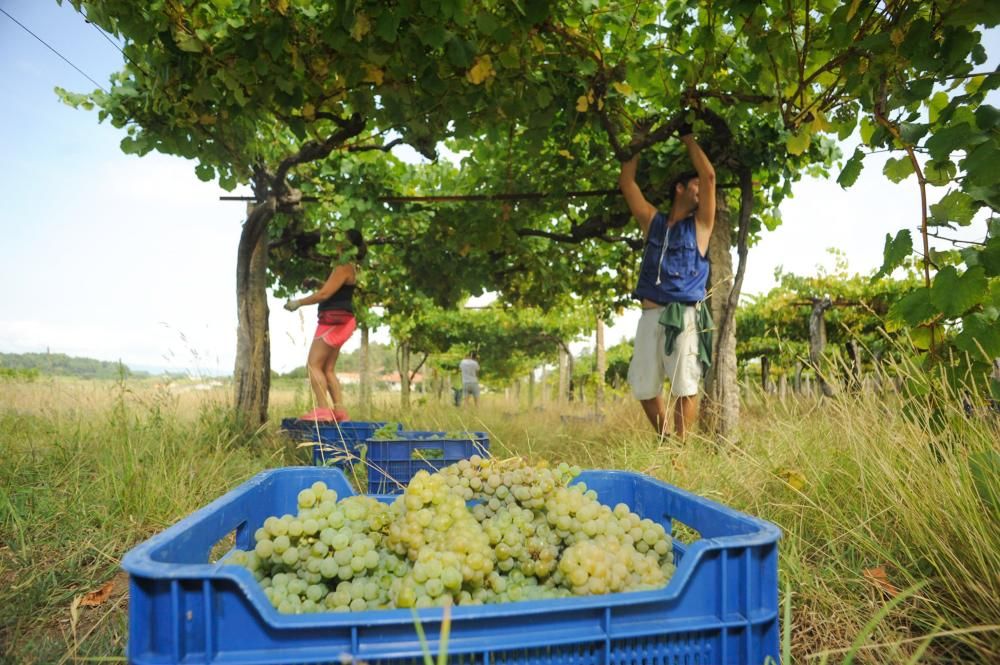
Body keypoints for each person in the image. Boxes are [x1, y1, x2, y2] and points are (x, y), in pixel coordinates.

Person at [618, 121, 716, 438]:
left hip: (682, 314)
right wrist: (637, 141)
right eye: (695, 187)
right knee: (644, 386)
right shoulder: (653, 222)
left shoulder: (700, 227)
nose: (702, 192)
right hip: (649, 314)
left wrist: (689, 138)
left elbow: (710, 177)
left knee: (685, 386)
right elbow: (627, 183)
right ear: (680, 188)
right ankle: (665, 440)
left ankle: (679, 453)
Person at [283, 229, 367, 422]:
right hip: (342, 320)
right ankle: (339, 411)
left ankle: (323, 410)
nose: (334, 241)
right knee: (327, 368)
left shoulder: (343, 266)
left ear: (345, 244)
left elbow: (324, 295)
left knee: (313, 365)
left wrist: (298, 303)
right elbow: (335, 289)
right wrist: (317, 282)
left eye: (339, 238)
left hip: (332, 321)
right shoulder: (349, 267)